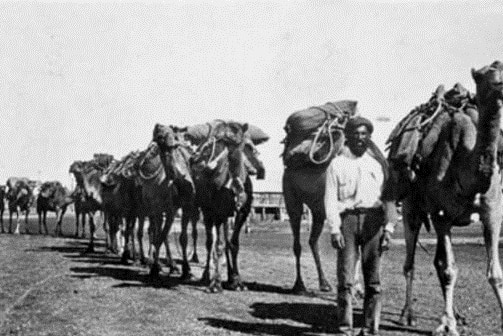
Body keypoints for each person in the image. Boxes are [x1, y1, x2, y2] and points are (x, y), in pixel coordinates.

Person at [324, 116, 397, 336]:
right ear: (347, 137)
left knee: (373, 281)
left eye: (364, 134)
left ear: (369, 137)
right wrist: (334, 229)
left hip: (374, 222)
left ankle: (370, 329)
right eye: (355, 134)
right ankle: (345, 328)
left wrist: (389, 229)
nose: (360, 138)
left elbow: (389, 199)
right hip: (347, 222)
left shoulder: (376, 164)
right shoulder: (336, 164)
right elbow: (330, 199)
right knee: (345, 280)